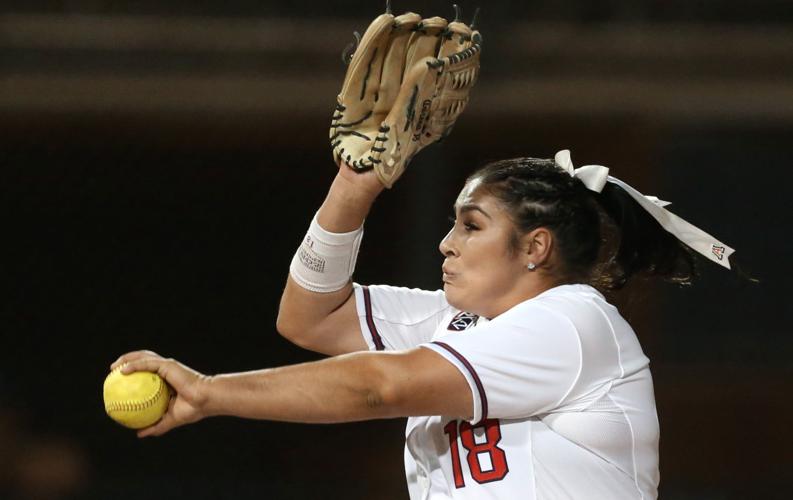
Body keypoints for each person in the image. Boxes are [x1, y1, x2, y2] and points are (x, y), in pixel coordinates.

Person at [112, 149, 735, 499]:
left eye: (471, 225)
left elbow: (377, 386)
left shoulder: (572, 322)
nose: (446, 243)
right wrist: (354, 188)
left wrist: (211, 391)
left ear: (535, 247)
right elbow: (309, 316)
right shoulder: (456, 321)